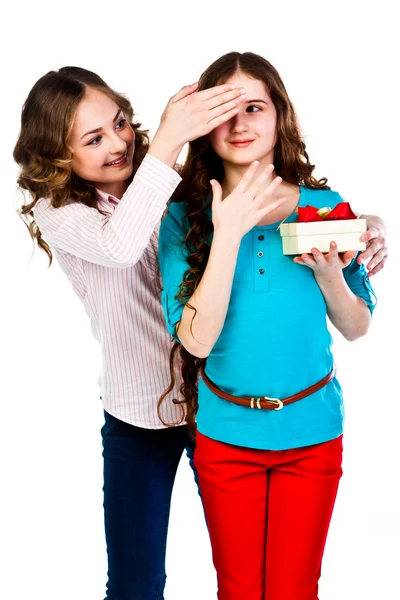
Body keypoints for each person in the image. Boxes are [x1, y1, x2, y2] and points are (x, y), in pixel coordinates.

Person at [13, 66, 247, 600]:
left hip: (216, 403)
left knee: (243, 572)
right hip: (137, 416)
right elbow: (120, 244)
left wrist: (361, 223)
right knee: (136, 584)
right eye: (93, 139)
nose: (118, 143)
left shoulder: (173, 182)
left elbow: (261, 214)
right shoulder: (61, 213)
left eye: (119, 123)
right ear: (57, 156)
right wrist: (168, 139)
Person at [158, 52, 380, 600]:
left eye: (254, 107)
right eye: (223, 110)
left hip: (313, 436)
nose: (239, 125)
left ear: (279, 116)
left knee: (294, 589)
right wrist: (227, 231)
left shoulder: (328, 210)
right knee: (236, 589)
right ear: (204, 127)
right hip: (225, 438)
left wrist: (332, 278)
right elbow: (196, 340)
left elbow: (357, 328)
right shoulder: (180, 218)